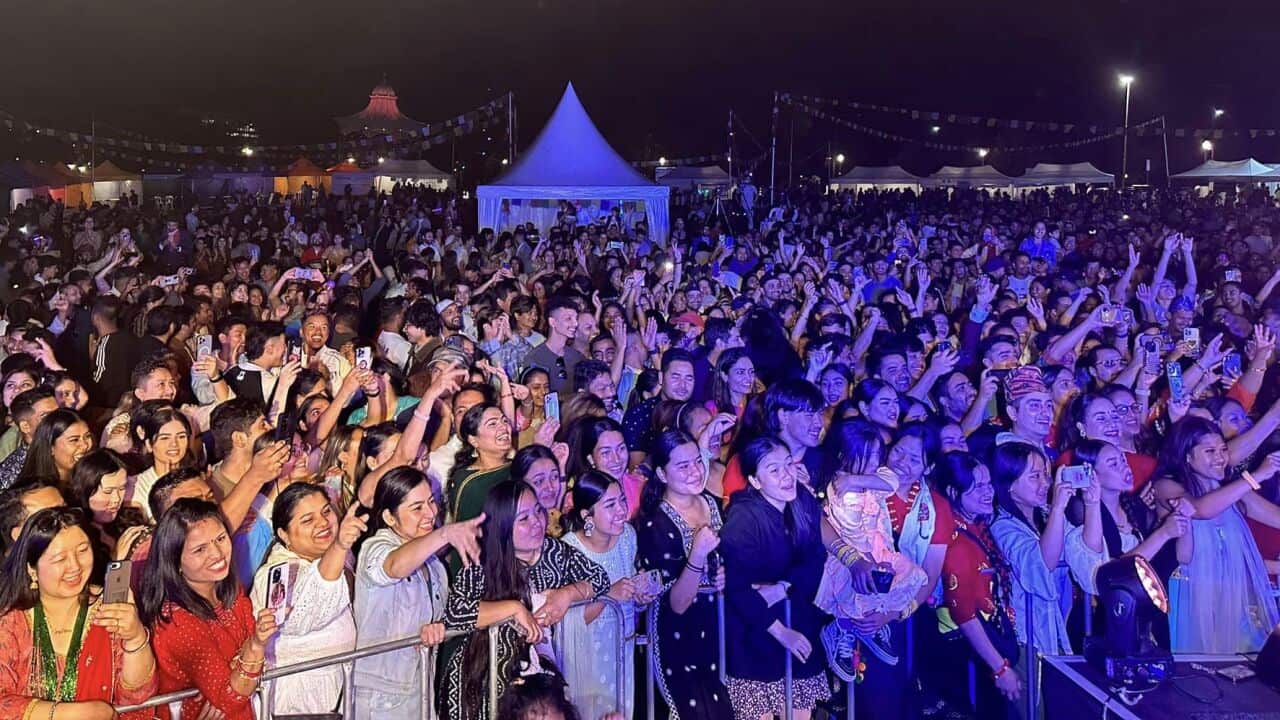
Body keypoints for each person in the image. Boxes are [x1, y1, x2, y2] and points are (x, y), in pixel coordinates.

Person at [443, 480, 610, 720]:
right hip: (484, 678)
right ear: (502, 526)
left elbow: (600, 578)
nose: (537, 523)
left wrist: (568, 594)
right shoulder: (481, 560)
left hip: (539, 682)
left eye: (538, 511)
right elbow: (454, 613)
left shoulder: (555, 551)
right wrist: (513, 608)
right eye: (523, 519)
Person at [0, 507, 158, 719]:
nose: (74, 566)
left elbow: (136, 698)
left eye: (83, 550)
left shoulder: (109, 607)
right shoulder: (12, 621)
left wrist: (135, 637)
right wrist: (69, 714)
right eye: (59, 559)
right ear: (31, 569)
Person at [354, 466, 482, 719]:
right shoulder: (375, 547)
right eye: (417, 508)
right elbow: (394, 566)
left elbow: (446, 617)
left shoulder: (434, 565)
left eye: (431, 502)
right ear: (390, 518)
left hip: (420, 687)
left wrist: (436, 628)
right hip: (379, 695)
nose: (430, 513)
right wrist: (445, 533)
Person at [720, 437, 829, 720]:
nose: (786, 476)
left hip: (799, 622)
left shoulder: (802, 502)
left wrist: (782, 587)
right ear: (755, 481)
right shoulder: (744, 517)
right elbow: (737, 589)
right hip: (756, 635)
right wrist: (781, 632)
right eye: (774, 470)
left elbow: (815, 559)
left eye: (788, 465)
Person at [140, 498, 279, 720]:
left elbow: (233, 690)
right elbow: (230, 697)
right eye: (200, 549)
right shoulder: (176, 622)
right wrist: (255, 646)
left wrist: (233, 677)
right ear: (174, 561)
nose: (217, 553)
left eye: (221, 538)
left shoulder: (227, 587)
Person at [1153, 417, 1280, 653]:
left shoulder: (1229, 488)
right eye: (1210, 451)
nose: (1221, 458)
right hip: (1188, 596)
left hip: (1228, 592)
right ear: (1186, 456)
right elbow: (1201, 510)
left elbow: (1272, 516)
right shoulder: (1166, 486)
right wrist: (1254, 477)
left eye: (1223, 449)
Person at [633, 430, 732, 720]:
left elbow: (721, 563)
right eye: (683, 466)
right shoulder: (656, 523)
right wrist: (698, 557)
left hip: (713, 629)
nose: (694, 472)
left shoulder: (710, 503)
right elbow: (675, 604)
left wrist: (721, 576)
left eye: (697, 462)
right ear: (662, 474)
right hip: (677, 638)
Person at [249, 483, 363, 716]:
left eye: (326, 511)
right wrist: (340, 545)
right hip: (295, 706)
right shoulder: (276, 573)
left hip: (336, 699)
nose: (323, 523)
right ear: (284, 534)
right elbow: (304, 613)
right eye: (308, 520)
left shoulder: (333, 555)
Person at [933, 452, 1021, 718]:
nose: (988, 492)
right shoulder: (957, 543)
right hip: (970, 660)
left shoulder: (977, 523)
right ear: (952, 490)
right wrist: (1000, 669)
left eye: (988, 484)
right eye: (977, 486)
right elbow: (964, 616)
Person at [558, 469, 650, 720]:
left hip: (623, 649)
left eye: (622, 500)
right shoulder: (569, 550)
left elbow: (628, 591)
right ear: (587, 515)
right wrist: (608, 595)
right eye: (610, 505)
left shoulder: (627, 537)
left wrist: (639, 596)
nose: (621, 510)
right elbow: (566, 622)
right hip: (587, 656)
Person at [988, 442, 1074, 658]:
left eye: (1046, 474)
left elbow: (1084, 551)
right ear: (1009, 484)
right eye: (1035, 476)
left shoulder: (1044, 515)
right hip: (1024, 639)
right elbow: (1042, 566)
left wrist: (1092, 503)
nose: (1045, 483)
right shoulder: (1001, 525)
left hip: (1054, 630)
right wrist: (1058, 508)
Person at [17, 409, 95, 487]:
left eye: (87, 436)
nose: (85, 445)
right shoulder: (36, 493)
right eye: (74, 440)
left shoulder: (92, 479)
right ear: (51, 448)